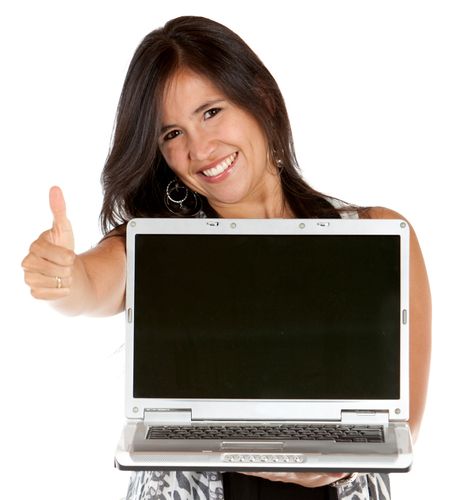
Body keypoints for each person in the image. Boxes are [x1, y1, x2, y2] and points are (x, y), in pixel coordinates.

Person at [21, 16, 431, 500]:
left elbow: (400, 425)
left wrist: (335, 464)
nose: (199, 149)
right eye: (171, 134)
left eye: (211, 112)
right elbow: (91, 284)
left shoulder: (374, 234)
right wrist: (64, 278)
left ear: (258, 96)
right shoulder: (159, 245)